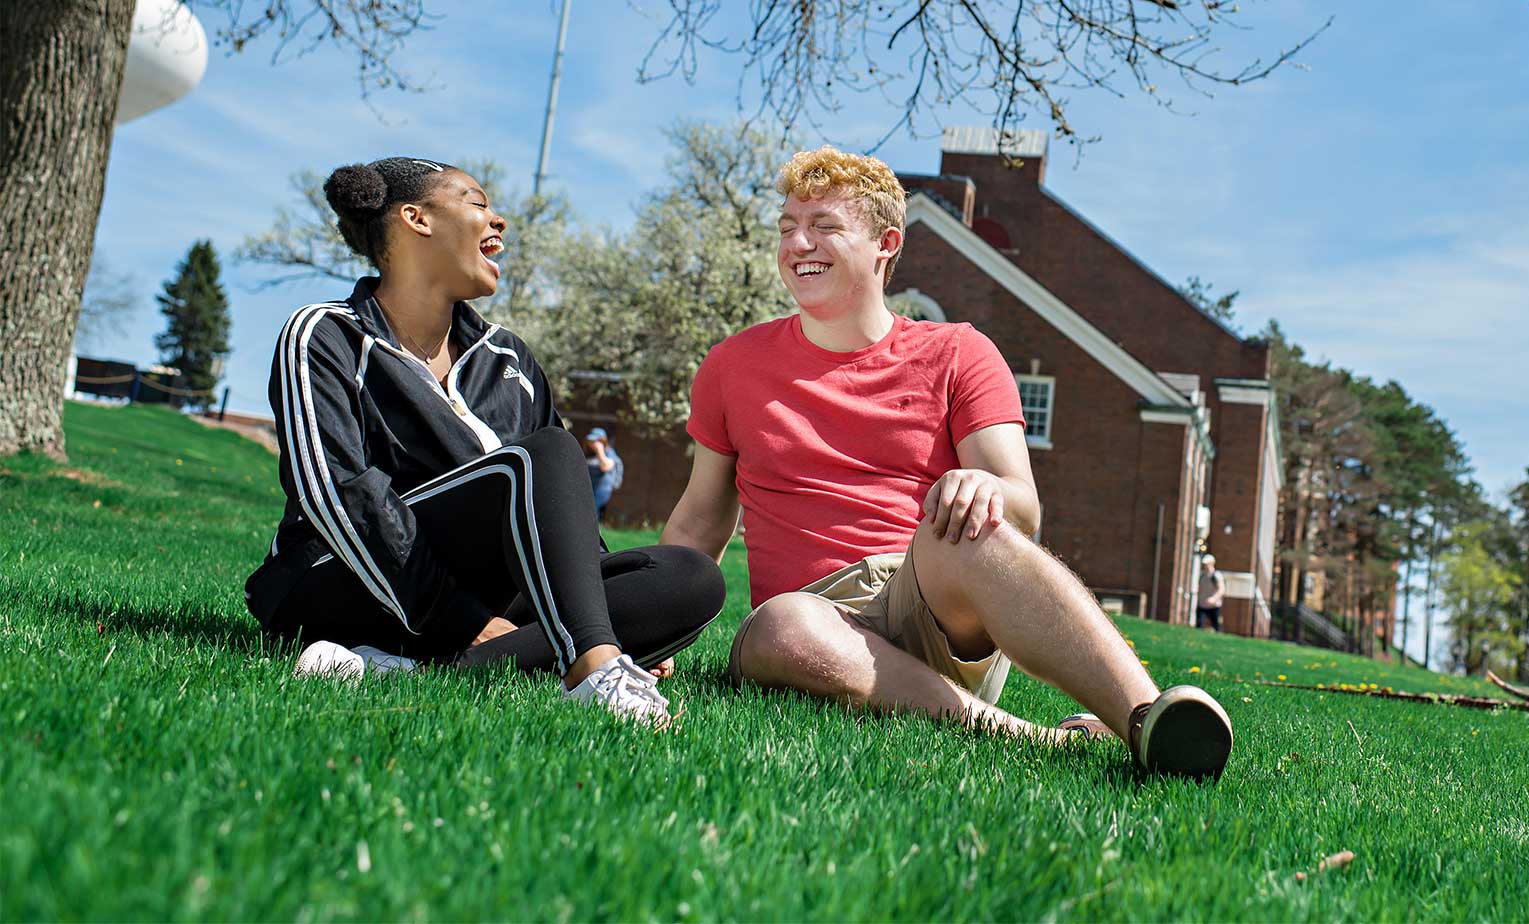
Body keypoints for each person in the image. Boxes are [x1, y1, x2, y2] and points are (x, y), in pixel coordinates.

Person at [660, 147, 1235, 778]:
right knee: (781, 624)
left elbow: (1023, 507)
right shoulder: (732, 367)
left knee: (975, 525)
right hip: (810, 626)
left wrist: (983, 486)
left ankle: (1148, 719)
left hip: (927, 598)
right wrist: (652, 632)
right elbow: (700, 522)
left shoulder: (960, 352)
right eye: (788, 227)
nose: (799, 243)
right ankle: (1030, 739)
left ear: (885, 243)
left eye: (824, 226)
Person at [243, 156, 725, 724]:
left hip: (484, 592)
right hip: (341, 580)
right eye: (477, 203)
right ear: (415, 218)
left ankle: (409, 672)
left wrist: (586, 608)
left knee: (691, 580)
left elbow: (558, 514)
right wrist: (463, 618)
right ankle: (593, 669)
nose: (499, 222)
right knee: (544, 454)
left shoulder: (509, 358)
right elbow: (338, 496)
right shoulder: (325, 334)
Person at [585, 427, 624, 516]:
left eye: (595, 441)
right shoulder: (589, 454)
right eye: (590, 441)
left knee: (592, 514)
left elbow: (606, 467)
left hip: (601, 490)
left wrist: (599, 451)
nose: (592, 444)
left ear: (602, 441)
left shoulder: (609, 453)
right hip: (589, 489)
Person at [1195, 554, 1224, 631]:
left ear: (1212, 563)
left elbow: (1221, 589)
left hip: (1214, 606)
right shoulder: (1202, 575)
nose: (1205, 566)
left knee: (1217, 626)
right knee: (1199, 625)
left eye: (1206, 564)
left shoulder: (1216, 575)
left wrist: (1214, 598)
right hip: (1202, 605)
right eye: (1204, 564)